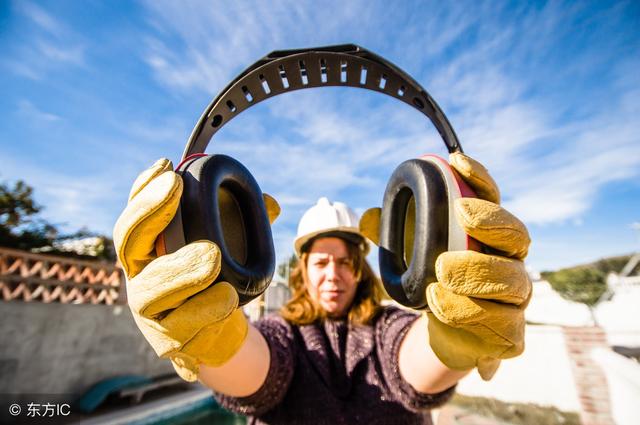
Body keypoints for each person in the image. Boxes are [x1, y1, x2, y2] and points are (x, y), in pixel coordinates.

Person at [113, 152, 532, 424]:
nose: (333, 274)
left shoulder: (390, 326)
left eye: (345, 262)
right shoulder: (282, 334)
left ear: (362, 267)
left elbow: (414, 367)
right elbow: (253, 371)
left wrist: (454, 337)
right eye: (321, 262)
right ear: (303, 270)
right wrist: (213, 343)